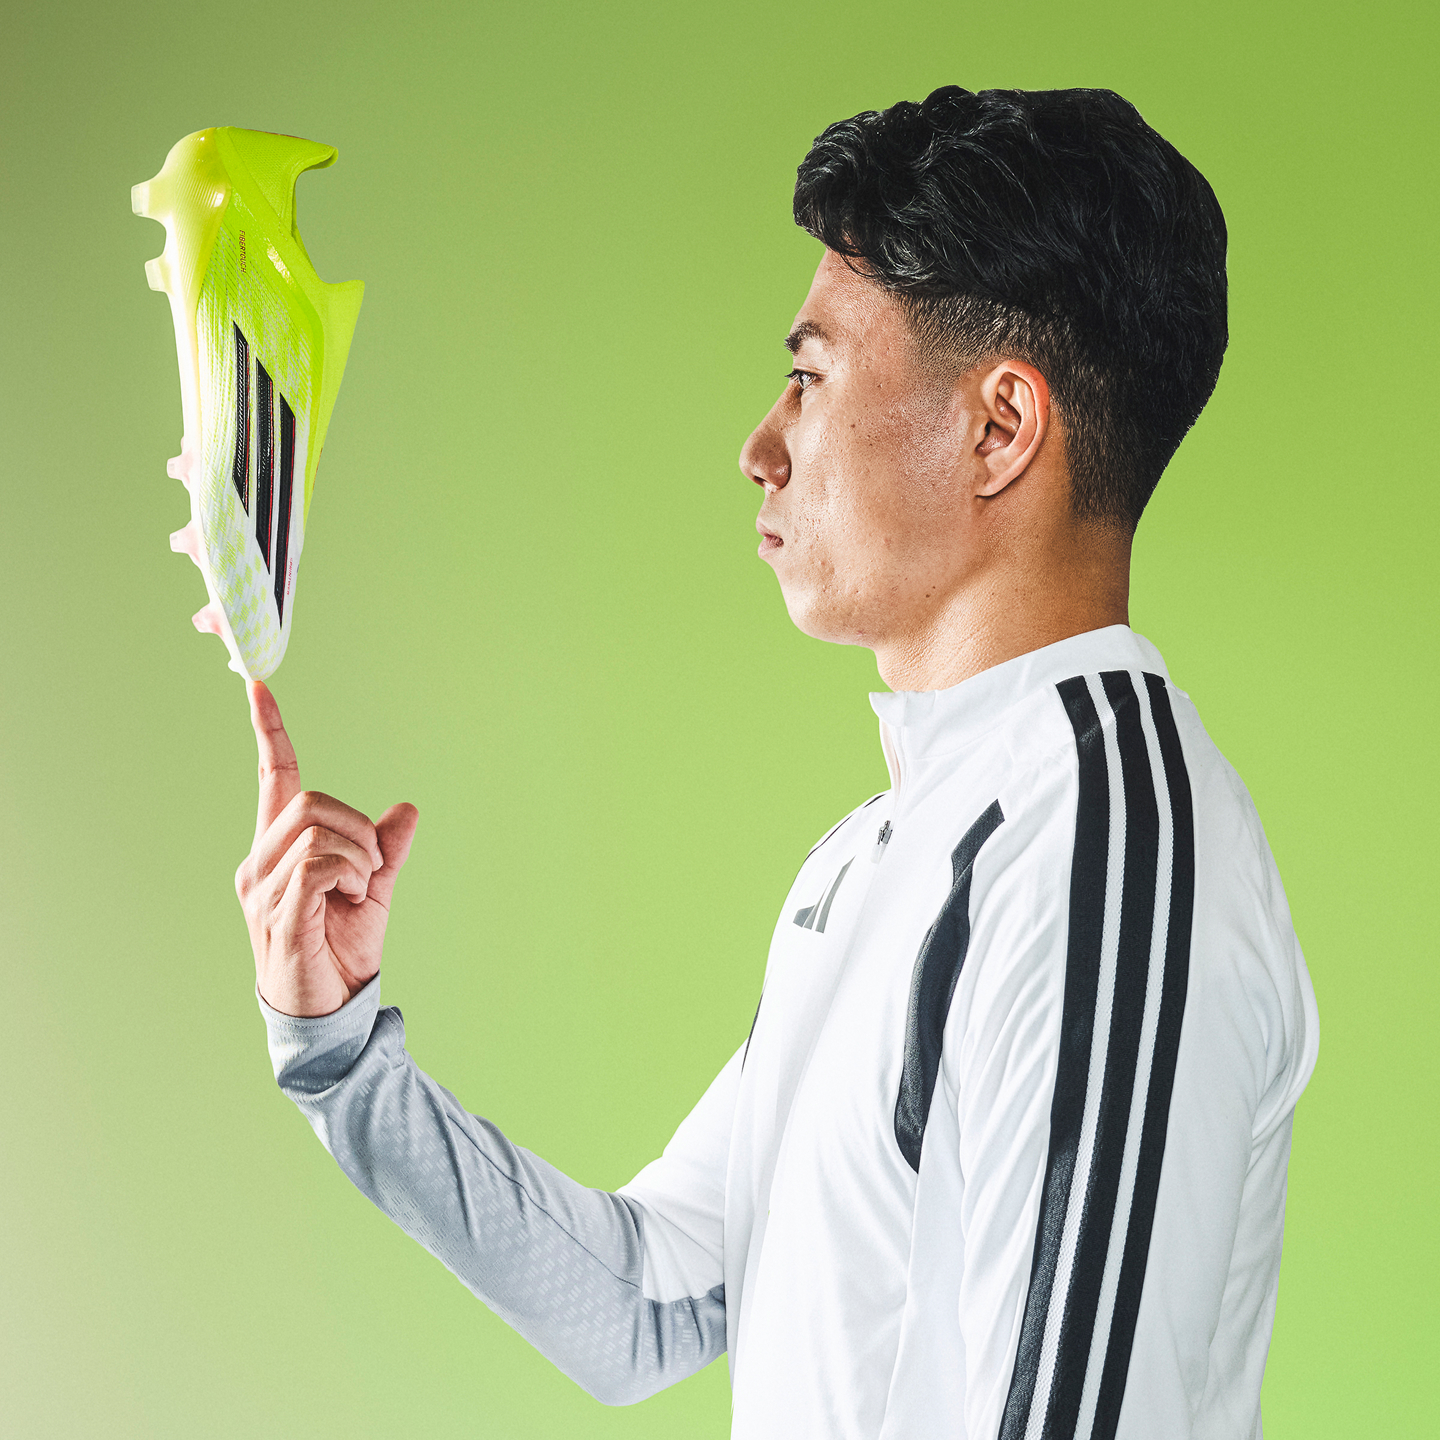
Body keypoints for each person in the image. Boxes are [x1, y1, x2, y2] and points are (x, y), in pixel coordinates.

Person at [240, 87, 1318, 1440]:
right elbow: (650, 1301)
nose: (761, 449)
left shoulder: (1109, 850)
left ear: (999, 429)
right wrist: (340, 1052)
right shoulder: (881, 853)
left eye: (810, 377)